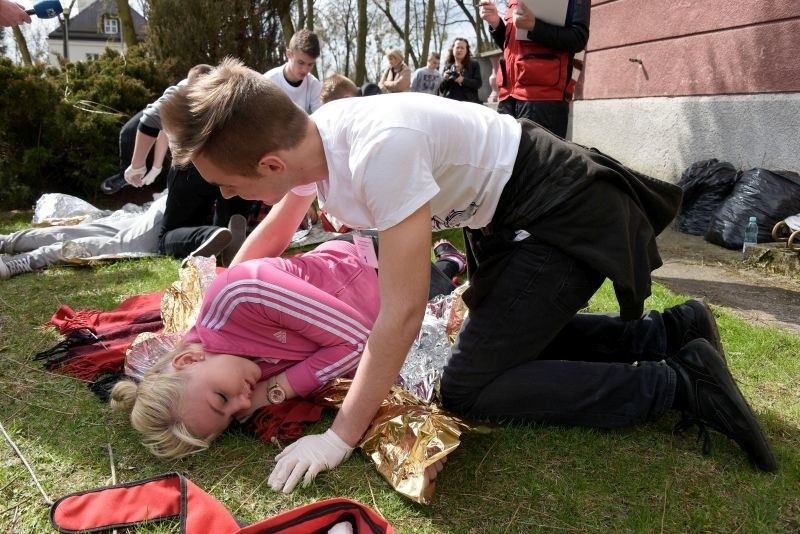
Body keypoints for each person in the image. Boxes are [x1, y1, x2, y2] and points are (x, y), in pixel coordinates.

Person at [160, 59, 777, 494]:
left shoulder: (378, 152)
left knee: (469, 388)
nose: (233, 196)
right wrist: (218, 299)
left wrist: (339, 438)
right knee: (496, 347)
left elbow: (400, 313)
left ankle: (678, 384)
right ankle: (670, 332)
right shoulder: (311, 143)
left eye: (230, 186)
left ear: (270, 161)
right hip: (513, 216)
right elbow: (266, 245)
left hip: (561, 210)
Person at [110, 237, 466, 457]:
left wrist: (278, 389)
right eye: (232, 415)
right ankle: (449, 261)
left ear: (188, 359)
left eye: (221, 398)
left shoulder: (240, 294)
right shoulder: (225, 365)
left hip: (380, 267)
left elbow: (359, 343)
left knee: (455, 294)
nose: (246, 402)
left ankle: (447, 262)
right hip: (394, 315)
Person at [479, 0, 590, 138]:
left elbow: (578, 38)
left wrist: (534, 26)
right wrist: (496, 23)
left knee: (538, 159)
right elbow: (512, 47)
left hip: (544, 99)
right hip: (508, 97)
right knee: (505, 158)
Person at [0, 193, 168, 279]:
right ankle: (21, 260)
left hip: (169, 204)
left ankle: (7, 243)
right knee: (114, 245)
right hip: (173, 213)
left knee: (93, 231)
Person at [263, 29, 323, 114]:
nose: (305, 70)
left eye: (310, 64)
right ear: (289, 54)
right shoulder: (268, 82)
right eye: (301, 62)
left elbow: (320, 121)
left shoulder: (314, 85)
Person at [438, 38, 482, 103]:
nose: (459, 50)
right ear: (453, 49)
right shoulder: (447, 66)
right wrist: (445, 79)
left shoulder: (474, 64)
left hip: (469, 103)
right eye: (457, 47)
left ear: (467, 50)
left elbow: (478, 84)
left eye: (462, 48)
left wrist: (462, 80)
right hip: (450, 103)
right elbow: (441, 89)